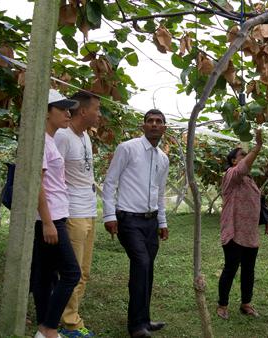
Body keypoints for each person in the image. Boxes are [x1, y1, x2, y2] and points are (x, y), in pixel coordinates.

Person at [102, 109, 170, 338]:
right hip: (128, 219)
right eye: (150, 121)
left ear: (164, 128)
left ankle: (145, 319)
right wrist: (109, 216)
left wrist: (162, 222)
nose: (154, 124)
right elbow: (110, 182)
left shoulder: (163, 158)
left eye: (158, 121)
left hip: (151, 222)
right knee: (141, 263)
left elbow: (160, 194)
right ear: (143, 126)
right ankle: (135, 326)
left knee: (147, 269)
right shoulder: (127, 148)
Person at [31, 89, 81, 338]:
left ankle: (44, 328)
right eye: (62, 109)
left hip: (55, 216)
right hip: (49, 219)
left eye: (68, 109)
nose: (68, 113)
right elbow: (37, 184)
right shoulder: (41, 141)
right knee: (72, 273)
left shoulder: (50, 140)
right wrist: (49, 222)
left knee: (45, 274)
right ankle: (48, 327)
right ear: (47, 112)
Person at [54, 91, 101, 338]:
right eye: (97, 109)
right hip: (72, 212)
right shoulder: (62, 136)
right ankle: (70, 323)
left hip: (88, 210)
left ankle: (68, 316)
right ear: (83, 111)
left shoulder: (85, 137)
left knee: (83, 271)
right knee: (71, 271)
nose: (99, 114)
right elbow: (54, 175)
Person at [216, 129, 268, 320]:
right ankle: (222, 305)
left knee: (249, 270)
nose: (246, 157)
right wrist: (257, 147)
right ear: (234, 161)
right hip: (234, 231)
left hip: (250, 233)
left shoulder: (249, 180)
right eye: (242, 154)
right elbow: (243, 167)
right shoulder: (231, 175)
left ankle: (246, 303)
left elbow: (258, 202)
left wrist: (266, 223)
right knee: (231, 268)